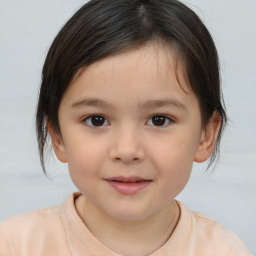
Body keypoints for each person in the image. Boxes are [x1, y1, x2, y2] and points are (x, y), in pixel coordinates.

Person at [0, 0, 252, 255]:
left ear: (205, 136)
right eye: (97, 120)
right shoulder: (15, 245)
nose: (127, 150)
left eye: (159, 120)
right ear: (57, 135)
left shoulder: (224, 250)